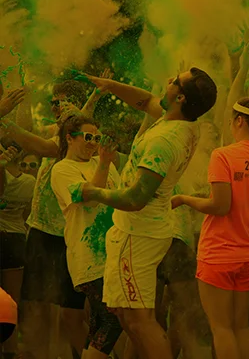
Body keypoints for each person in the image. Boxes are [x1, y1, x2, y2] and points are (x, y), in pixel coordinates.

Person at [80, 68, 217, 359]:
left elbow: (135, 198)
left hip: (138, 234)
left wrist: (93, 192)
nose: (167, 80)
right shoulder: (182, 120)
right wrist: (110, 84)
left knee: (141, 321)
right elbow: (145, 101)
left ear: (180, 97)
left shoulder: (164, 142)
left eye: (174, 81)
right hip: (134, 232)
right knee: (124, 314)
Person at [172, 95, 249, 359]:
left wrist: (184, 199)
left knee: (221, 328)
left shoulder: (223, 156)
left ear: (239, 121)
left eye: (231, 121)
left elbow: (220, 206)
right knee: (241, 326)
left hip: (219, 252)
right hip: (248, 254)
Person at [1, 80, 100, 359]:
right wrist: (24, 97)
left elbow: (50, 144)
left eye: (62, 102)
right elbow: (26, 134)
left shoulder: (85, 143)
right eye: (53, 102)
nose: (55, 107)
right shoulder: (53, 133)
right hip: (41, 231)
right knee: (34, 307)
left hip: (71, 238)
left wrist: (90, 102)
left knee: (73, 315)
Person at [51, 116, 123, 359]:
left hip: (114, 253)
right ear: (69, 139)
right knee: (114, 320)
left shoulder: (105, 164)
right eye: (88, 137)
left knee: (99, 323)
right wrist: (103, 162)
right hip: (89, 257)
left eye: (97, 138)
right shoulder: (62, 169)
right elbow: (90, 198)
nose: (94, 143)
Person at [0, 140, 35, 357]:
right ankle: (11, 351)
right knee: (12, 300)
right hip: (16, 238)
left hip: (8, 238)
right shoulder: (30, 181)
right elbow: (27, 214)